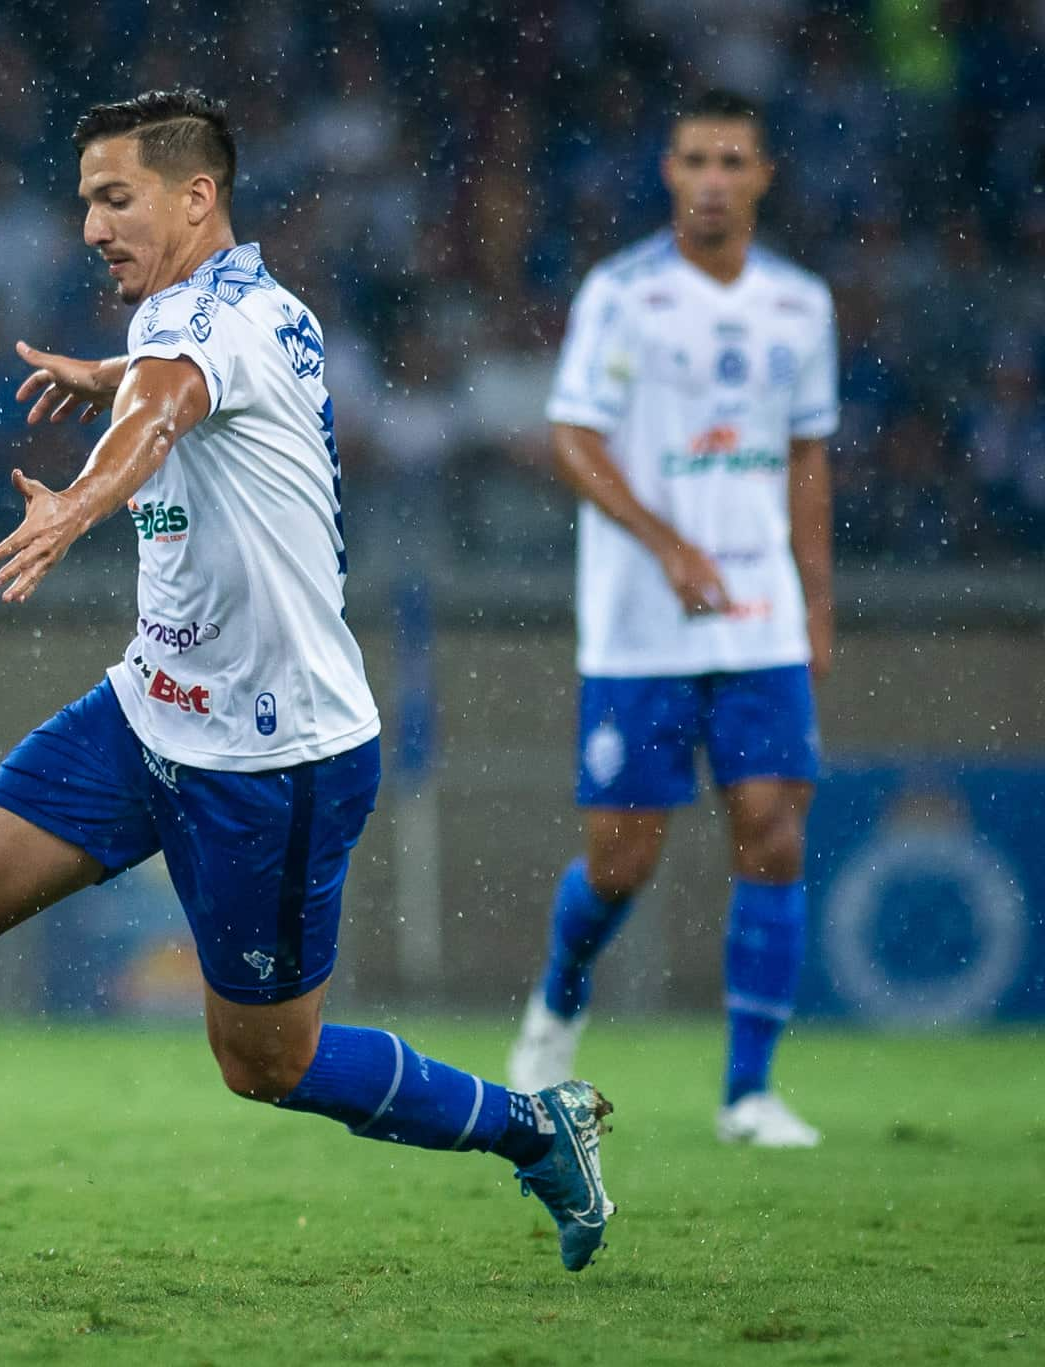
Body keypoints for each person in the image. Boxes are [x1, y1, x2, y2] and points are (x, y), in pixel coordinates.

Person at [0, 88, 615, 1275]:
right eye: (83, 203)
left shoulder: (197, 332)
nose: (89, 226)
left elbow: (166, 408)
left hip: (275, 756)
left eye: (115, 199)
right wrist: (114, 368)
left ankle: (535, 1125)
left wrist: (74, 500)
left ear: (195, 196)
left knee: (265, 1061)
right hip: (151, 706)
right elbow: (176, 377)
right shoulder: (242, 307)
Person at [506, 89, 837, 1149]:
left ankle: (746, 1091)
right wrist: (666, 543)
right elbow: (571, 437)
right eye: (692, 158)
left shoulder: (800, 305)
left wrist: (813, 604)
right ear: (666, 171)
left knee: (772, 831)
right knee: (620, 859)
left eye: (730, 160)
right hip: (638, 620)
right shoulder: (622, 294)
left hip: (757, 619)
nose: (710, 178)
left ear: (761, 176)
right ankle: (559, 995)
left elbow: (804, 458)